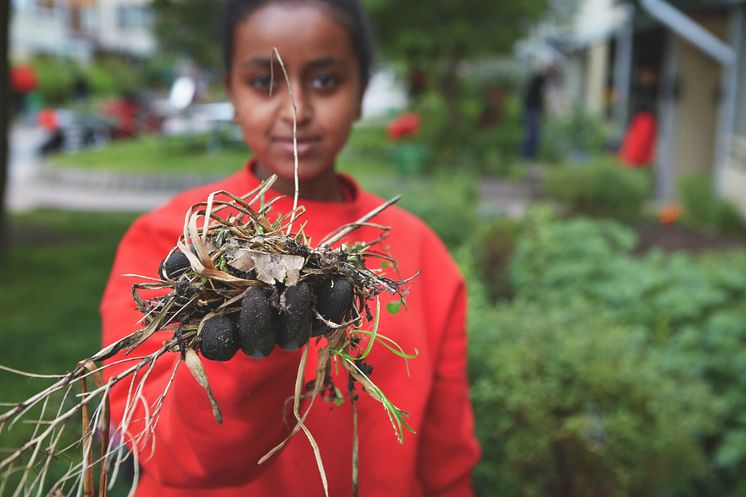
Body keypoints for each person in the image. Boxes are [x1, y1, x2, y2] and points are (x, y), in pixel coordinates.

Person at [100, 1, 481, 496]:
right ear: (232, 92)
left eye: (325, 81)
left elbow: (446, 460)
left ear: (361, 93)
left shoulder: (416, 257)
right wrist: (243, 361)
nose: (295, 110)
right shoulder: (175, 242)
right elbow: (160, 446)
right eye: (264, 82)